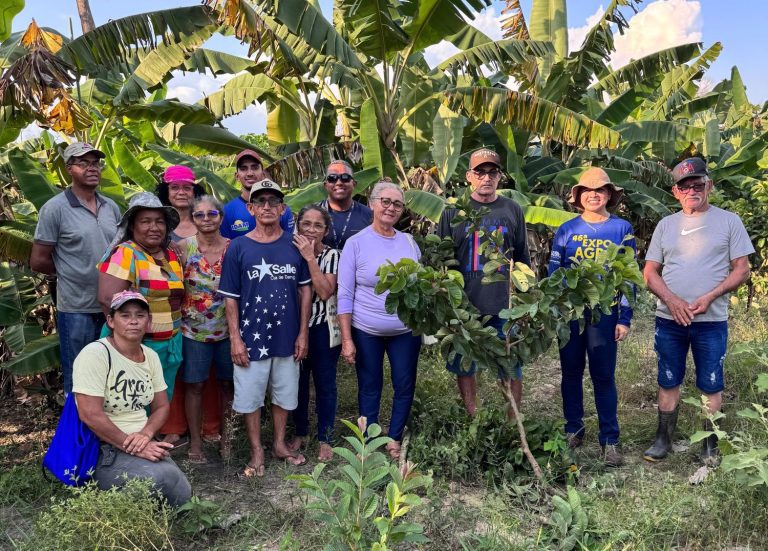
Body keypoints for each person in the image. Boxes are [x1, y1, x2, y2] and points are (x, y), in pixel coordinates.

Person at [643, 157, 753, 464]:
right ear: (676, 192)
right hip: (669, 319)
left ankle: (710, 445)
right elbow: (650, 272)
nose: (692, 190)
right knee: (668, 379)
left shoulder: (729, 221)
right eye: (684, 186)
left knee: (710, 382)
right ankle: (663, 439)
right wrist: (673, 301)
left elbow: (741, 269)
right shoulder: (666, 225)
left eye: (697, 184)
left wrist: (710, 296)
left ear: (709, 186)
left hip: (711, 319)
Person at [219, 178, 311, 476]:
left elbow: (305, 291)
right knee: (250, 397)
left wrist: (303, 333)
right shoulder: (238, 247)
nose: (268, 206)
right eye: (261, 202)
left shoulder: (295, 245)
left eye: (274, 201)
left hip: (287, 337)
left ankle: (280, 444)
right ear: (251, 208)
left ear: (283, 208)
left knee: (285, 394)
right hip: (251, 339)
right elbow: (230, 299)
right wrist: (235, 338)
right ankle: (257, 449)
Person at [547, 167, 635, 467]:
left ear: (609, 195)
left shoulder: (622, 229)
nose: (594, 195)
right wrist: (554, 311)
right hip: (571, 313)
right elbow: (554, 274)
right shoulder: (567, 230)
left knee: (603, 376)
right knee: (570, 374)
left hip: (605, 314)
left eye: (600, 190)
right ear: (578, 196)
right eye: (587, 190)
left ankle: (609, 440)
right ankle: (574, 429)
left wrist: (624, 317)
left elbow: (628, 277)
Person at [73, 290, 191, 507]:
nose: (133, 321)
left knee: (182, 491)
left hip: (142, 440)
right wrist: (133, 446)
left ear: (148, 322)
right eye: (125, 315)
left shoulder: (151, 356)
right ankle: (107, 511)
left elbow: (162, 406)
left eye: (140, 315)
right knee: (160, 480)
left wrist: (146, 435)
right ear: (111, 321)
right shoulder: (96, 354)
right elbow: (90, 414)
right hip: (104, 448)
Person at [436, 148, 530, 416]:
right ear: (469, 177)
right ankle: (473, 417)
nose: (486, 178)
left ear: (500, 176)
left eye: (492, 172)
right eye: (480, 172)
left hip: (505, 304)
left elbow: (522, 257)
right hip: (464, 307)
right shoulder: (453, 212)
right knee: (465, 364)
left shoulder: (512, 209)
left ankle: (512, 420)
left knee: (511, 364)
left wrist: (525, 302)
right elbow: (441, 259)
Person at [337, 181, 422, 460]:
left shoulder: (408, 242)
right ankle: (368, 441)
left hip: (404, 331)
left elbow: (418, 286)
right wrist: (347, 339)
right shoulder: (356, 243)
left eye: (397, 204)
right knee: (370, 385)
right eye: (385, 201)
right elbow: (345, 293)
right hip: (366, 330)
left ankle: (395, 437)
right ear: (372, 204)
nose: (391, 208)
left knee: (404, 383)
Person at [30, 142, 121, 394]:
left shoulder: (110, 207)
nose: (92, 168)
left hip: (112, 307)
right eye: (84, 163)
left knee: (109, 374)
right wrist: (71, 271)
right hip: (77, 308)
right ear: (70, 169)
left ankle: (105, 433)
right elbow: (38, 260)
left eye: (95, 163)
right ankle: (77, 432)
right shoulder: (55, 208)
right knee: (80, 377)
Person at [97, 192, 185, 403]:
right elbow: (107, 298)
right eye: (145, 221)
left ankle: (149, 435)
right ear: (132, 226)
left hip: (170, 342)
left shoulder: (171, 254)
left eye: (159, 222)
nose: (154, 227)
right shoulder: (126, 253)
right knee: (133, 401)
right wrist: (130, 341)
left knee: (160, 399)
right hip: (138, 344)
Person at [177, 195, 234, 463]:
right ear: (192, 218)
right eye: (199, 215)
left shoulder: (234, 248)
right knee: (195, 385)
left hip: (228, 329)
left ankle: (227, 438)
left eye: (212, 214)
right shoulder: (182, 249)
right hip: (193, 331)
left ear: (221, 218)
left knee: (228, 385)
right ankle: (196, 443)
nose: (206, 219)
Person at [289, 205, 341, 462]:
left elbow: (324, 292)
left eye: (317, 225)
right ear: (297, 225)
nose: (310, 229)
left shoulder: (331, 256)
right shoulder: (286, 251)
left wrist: (310, 258)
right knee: (296, 382)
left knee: (325, 384)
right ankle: (301, 431)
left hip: (321, 327)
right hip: (291, 327)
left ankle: (326, 437)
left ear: (326, 230)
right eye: (305, 223)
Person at [221, 149, 294, 239]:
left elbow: (288, 245)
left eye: (255, 167)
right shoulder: (227, 212)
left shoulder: (280, 209)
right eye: (243, 169)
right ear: (237, 176)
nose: (250, 173)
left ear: (263, 173)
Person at [319, 160, 372, 250]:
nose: (339, 183)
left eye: (345, 177)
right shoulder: (312, 214)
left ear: (354, 184)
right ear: (325, 185)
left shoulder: (369, 215)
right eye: (332, 178)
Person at [156, 165, 205, 241]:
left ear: (194, 192)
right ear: (166, 192)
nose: (181, 192)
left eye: (187, 188)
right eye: (175, 188)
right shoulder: (157, 224)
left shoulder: (207, 220)